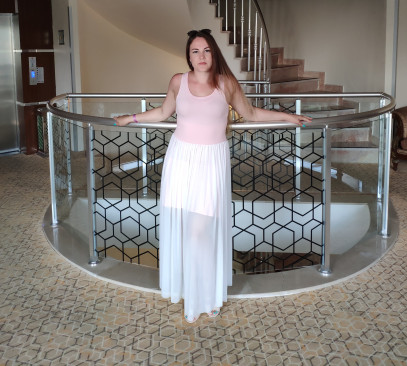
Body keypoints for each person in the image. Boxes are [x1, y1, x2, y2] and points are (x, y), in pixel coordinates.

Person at [114, 29, 311, 323]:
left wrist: (287, 117)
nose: (201, 56)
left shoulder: (226, 83)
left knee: (200, 232)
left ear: (214, 53)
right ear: (188, 56)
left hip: (211, 163)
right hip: (180, 160)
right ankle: (194, 294)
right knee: (186, 231)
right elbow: (163, 112)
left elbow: (251, 114)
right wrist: (129, 118)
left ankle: (207, 295)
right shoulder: (178, 81)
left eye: (206, 50)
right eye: (195, 51)